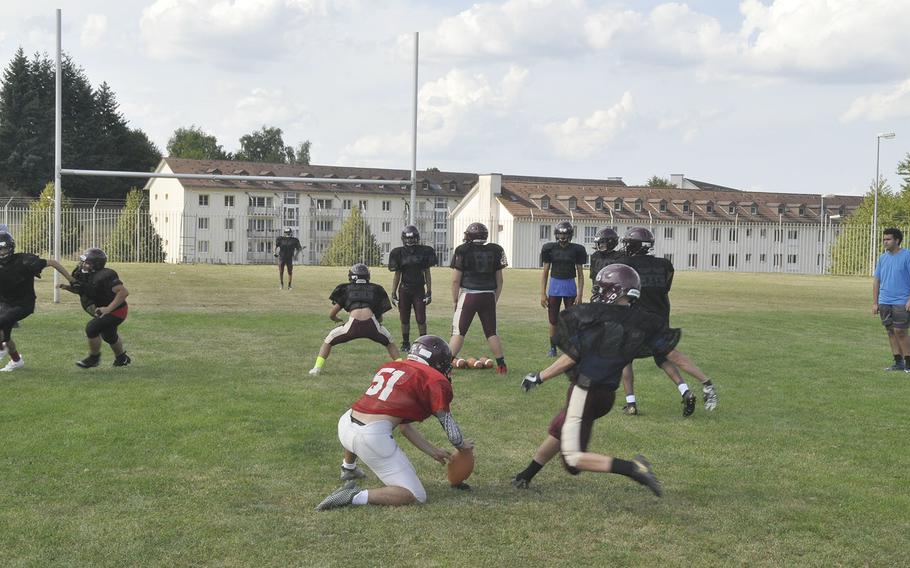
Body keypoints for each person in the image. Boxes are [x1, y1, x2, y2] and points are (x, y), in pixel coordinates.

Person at [510, 264, 672, 494]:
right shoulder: (635, 320)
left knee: (573, 460)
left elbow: (572, 357)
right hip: (606, 394)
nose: (599, 294)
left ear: (614, 291)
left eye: (603, 289)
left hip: (585, 390)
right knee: (560, 427)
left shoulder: (600, 320)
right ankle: (526, 474)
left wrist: (539, 377)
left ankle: (634, 468)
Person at [315, 335, 474, 510]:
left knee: (362, 419)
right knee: (415, 494)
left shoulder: (392, 366)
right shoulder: (434, 379)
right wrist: (461, 445)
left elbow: (404, 426)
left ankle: (348, 468)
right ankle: (354, 496)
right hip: (370, 437)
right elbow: (449, 426)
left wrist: (432, 451)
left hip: (346, 424)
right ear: (436, 362)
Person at [616, 227, 717, 416]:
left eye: (629, 243)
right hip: (660, 318)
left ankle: (631, 403)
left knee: (625, 359)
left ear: (635, 246)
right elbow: (665, 288)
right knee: (665, 357)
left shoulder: (625, 263)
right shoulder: (665, 264)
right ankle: (689, 389)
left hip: (637, 319)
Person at [0, 231, 73, 372]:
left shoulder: (24, 260)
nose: (1, 252)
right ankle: (16, 360)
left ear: (10, 248)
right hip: (4, 303)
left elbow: (52, 262)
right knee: (5, 336)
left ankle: (2, 349)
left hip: (23, 304)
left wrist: (71, 279)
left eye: (3, 248)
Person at [309, 263, 400, 375]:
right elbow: (380, 317)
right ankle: (402, 368)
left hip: (352, 325)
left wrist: (336, 319)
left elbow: (332, 314)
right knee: (390, 342)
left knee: (328, 340)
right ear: (367, 276)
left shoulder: (346, 289)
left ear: (351, 276)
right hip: (372, 324)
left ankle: (316, 368)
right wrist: (377, 323)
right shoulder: (375, 289)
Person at [449, 222, 509, 374]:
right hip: (488, 294)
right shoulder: (495, 250)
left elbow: (456, 280)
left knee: (459, 331)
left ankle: (445, 365)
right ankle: (501, 365)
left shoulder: (462, 250)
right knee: (491, 332)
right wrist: (494, 298)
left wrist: (455, 299)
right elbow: (500, 281)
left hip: (469, 295)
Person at [58, 248, 131, 368]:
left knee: (92, 328)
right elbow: (85, 290)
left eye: (86, 262)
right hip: (106, 310)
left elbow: (123, 292)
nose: (83, 265)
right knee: (109, 336)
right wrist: (68, 287)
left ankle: (94, 358)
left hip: (117, 311)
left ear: (95, 265)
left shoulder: (105, 275)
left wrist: (108, 309)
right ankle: (122, 359)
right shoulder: (87, 275)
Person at [540, 221, 588, 357]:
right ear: (556, 234)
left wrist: (580, 294)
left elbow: (580, 274)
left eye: (565, 234)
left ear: (570, 235)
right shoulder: (549, 248)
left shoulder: (577, 249)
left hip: (570, 286)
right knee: (553, 320)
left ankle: (572, 348)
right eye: (560, 234)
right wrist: (542, 293)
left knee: (572, 320)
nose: (562, 237)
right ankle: (553, 348)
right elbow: (545, 272)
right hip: (555, 286)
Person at [388, 225, 437, 352]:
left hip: (419, 289)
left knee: (421, 318)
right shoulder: (398, 253)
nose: (410, 241)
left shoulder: (424, 251)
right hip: (404, 289)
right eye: (407, 238)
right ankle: (405, 343)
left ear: (417, 238)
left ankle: (424, 343)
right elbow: (397, 274)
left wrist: (429, 291)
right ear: (403, 239)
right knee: (404, 318)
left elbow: (427, 272)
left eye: (412, 238)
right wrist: (393, 293)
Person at [873, 227, 910, 371]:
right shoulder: (882, 258)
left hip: (901, 301)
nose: (885, 242)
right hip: (884, 301)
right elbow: (876, 281)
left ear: (897, 240)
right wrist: (875, 302)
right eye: (884, 239)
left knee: (900, 331)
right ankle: (898, 362)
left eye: (888, 239)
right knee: (890, 332)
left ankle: (908, 364)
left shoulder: (907, 255)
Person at [588, 228, 623, 294]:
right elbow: (594, 276)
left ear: (611, 242)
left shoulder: (619, 257)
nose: (600, 245)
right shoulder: (595, 256)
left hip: (613, 289)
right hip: (599, 288)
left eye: (603, 242)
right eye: (600, 243)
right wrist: (594, 287)